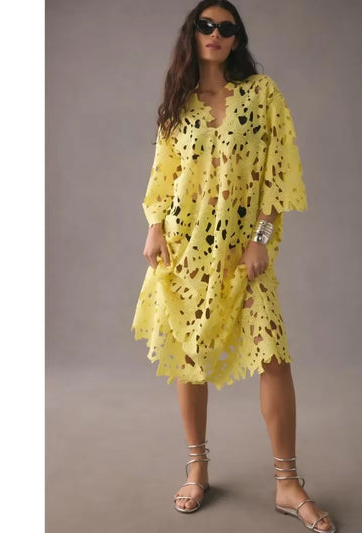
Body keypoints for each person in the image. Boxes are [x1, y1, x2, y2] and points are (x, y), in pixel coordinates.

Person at [131, 1, 336, 531]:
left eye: (227, 28)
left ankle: (288, 483)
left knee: (274, 357)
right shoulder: (179, 103)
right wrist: (155, 228)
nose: (216, 34)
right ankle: (197, 468)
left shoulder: (262, 96)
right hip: (187, 249)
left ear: (237, 38)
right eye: (207, 25)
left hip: (243, 252)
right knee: (188, 355)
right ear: (193, 33)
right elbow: (163, 173)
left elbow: (277, 171)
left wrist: (260, 238)